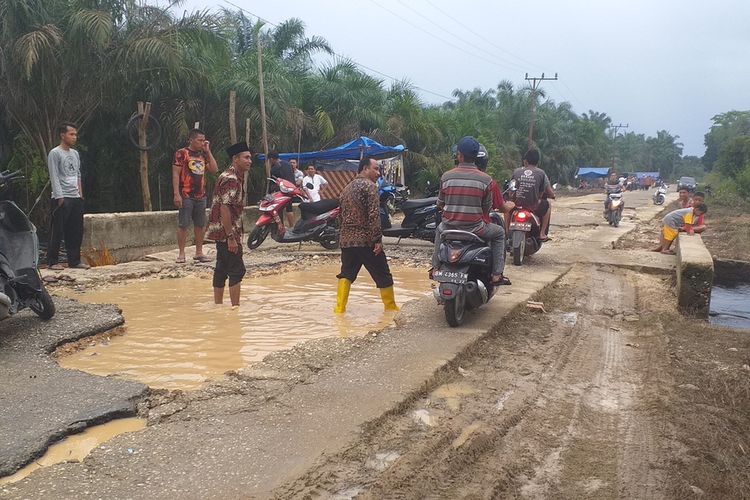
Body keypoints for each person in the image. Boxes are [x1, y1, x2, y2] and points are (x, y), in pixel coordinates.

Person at [431, 136, 510, 286]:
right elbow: (485, 210)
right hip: (475, 229)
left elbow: (440, 204)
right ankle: (496, 274)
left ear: (459, 155)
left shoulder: (446, 176)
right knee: (499, 232)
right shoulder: (486, 180)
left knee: (438, 229)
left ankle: (435, 267)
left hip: (448, 228)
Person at [334, 157, 399, 314]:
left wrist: (343, 237)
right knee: (383, 274)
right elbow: (373, 215)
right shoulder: (370, 187)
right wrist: (377, 240)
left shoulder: (346, 188)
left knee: (347, 273)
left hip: (347, 241)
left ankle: (339, 309)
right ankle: (391, 309)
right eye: (375, 169)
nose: (378, 173)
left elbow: (340, 216)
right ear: (364, 169)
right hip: (366, 241)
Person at [206, 142, 253, 307]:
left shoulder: (227, 176)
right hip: (227, 232)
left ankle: (218, 306)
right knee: (236, 270)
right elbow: (224, 208)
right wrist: (231, 237)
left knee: (221, 268)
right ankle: (235, 309)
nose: (250, 161)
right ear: (235, 158)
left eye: (250, 158)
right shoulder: (231, 179)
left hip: (221, 231)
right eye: (246, 157)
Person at [172, 128, 218, 264]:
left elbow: (214, 169)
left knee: (200, 224)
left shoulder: (203, 155)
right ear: (191, 140)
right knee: (183, 224)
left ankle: (199, 252)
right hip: (185, 194)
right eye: (200, 140)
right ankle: (181, 253)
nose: (202, 143)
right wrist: (176, 194)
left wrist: (208, 151)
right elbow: (175, 173)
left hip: (200, 195)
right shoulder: (182, 153)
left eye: (204, 140)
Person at [47, 122, 89, 270]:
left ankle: (75, 261)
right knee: (57, 230)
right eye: (71, 134)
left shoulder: (75, 153)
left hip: (75, 197)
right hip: (62, 197)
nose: (74, 137)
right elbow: (54, 175)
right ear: (62, 135)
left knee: (76, 230)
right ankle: (52, 262)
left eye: (75, 134)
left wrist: (80, 194)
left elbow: (78, 174)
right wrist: (59, 196)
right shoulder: (55, 153)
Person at [509, 149, 556, 241]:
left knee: (507, 206)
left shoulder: (516, 172)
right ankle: (542, 233)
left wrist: (512, 198)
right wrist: (552, 196)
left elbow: (511, 191)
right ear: (537, 162)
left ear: (525, 161)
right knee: (548, 205)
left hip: (517, 205)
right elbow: (543, 193)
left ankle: (506, 232)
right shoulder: (541, 173)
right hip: (533, 206)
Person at [476, 144, 515, 222]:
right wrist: (511, 204)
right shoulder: (489, 183)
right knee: (500, 231)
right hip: (479, 227)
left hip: (450, 227)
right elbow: (503, 208)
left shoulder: (449, 178)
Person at [269, 152, 296, 227]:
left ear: (271, 159)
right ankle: (292, 227)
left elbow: (273, 181)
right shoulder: (288, 164)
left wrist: (270, 192)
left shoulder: (274, 168)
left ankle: (281, 228)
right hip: (291, 189)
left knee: (279, 209)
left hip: (281, 191)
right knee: (289, 209)